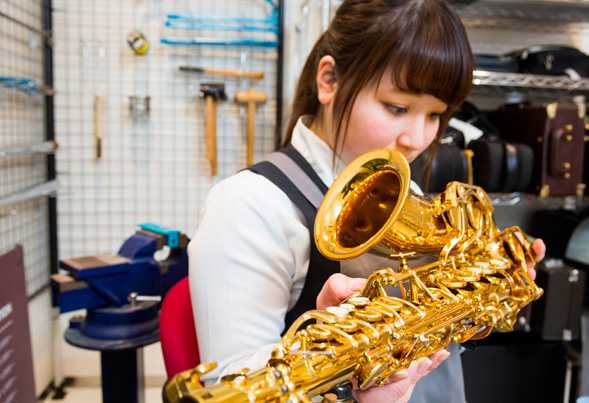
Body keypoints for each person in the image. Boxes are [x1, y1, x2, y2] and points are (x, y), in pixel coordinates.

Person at [188, 0, 546, 402]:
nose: (418, 139)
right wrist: (331, 363)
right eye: (397, 107)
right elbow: (232, 390)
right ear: (328, 81)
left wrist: (489, 287)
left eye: (435, 115)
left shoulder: (398, 188)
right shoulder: (249, 205)